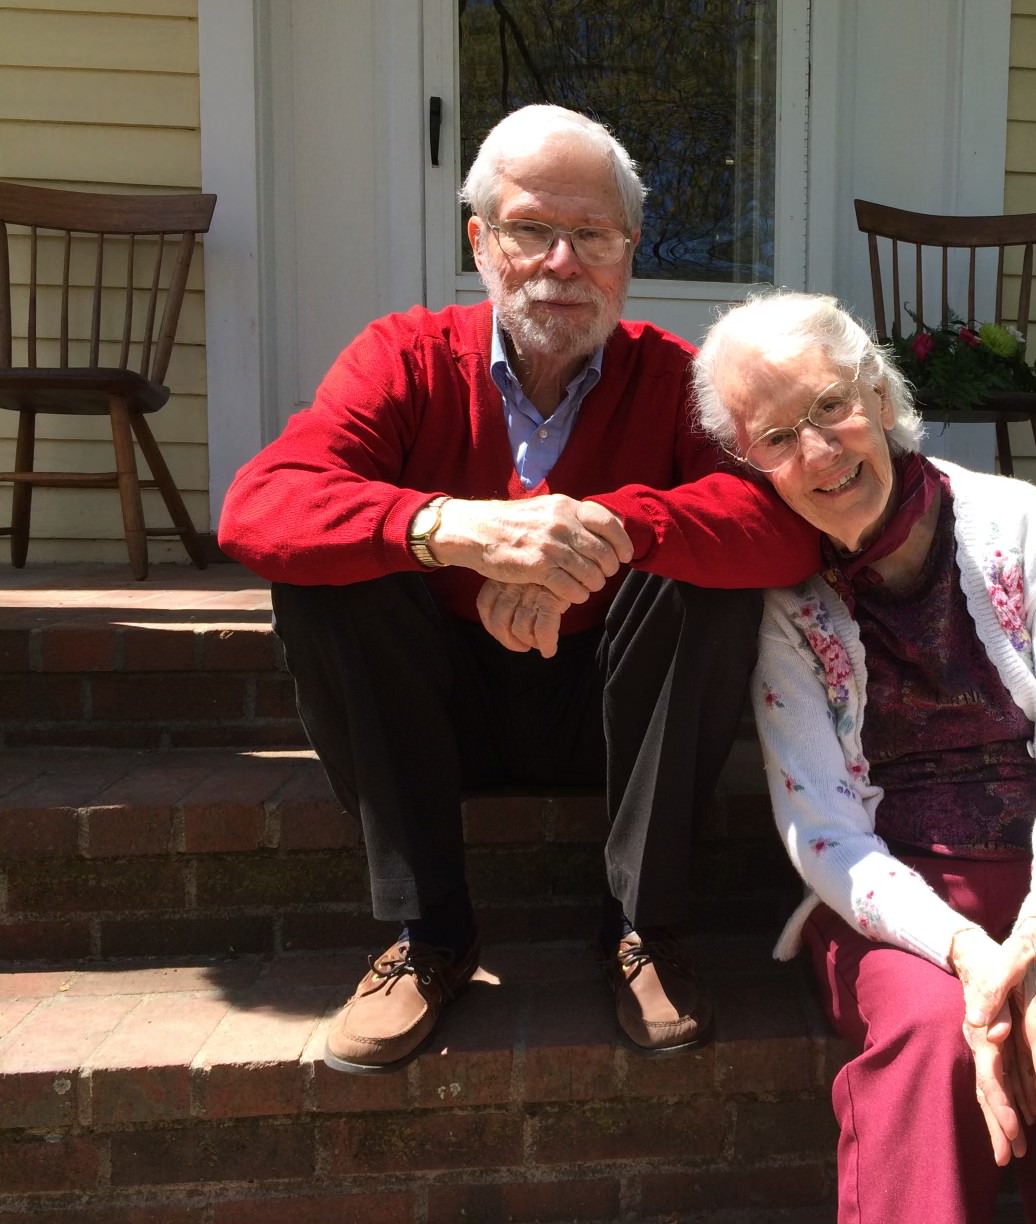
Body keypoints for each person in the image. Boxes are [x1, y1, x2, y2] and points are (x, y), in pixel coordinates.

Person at [217, 105, 818, 1073]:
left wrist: (612, 530)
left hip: (605, 711)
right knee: (332, 577)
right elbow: (261, 506)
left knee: (706, 575)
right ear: (481, 242)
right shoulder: (404, 356)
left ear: (629, 250)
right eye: (532, 229)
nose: (562, 262)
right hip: (441, 714)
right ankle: (429, 934)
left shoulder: (676, 380)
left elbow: (781, 528)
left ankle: (645, 928)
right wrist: (449, 531)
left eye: (593, 235)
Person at [690, 291, 1036, 1223]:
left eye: (832, 407)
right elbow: (822, 828)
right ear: (749, 462)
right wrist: (963, 949)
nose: (819, 453)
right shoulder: (783, 597)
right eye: (775, 437)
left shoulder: (1027, 527)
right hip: (893, 886)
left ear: (879, 396)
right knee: (929, 1038)